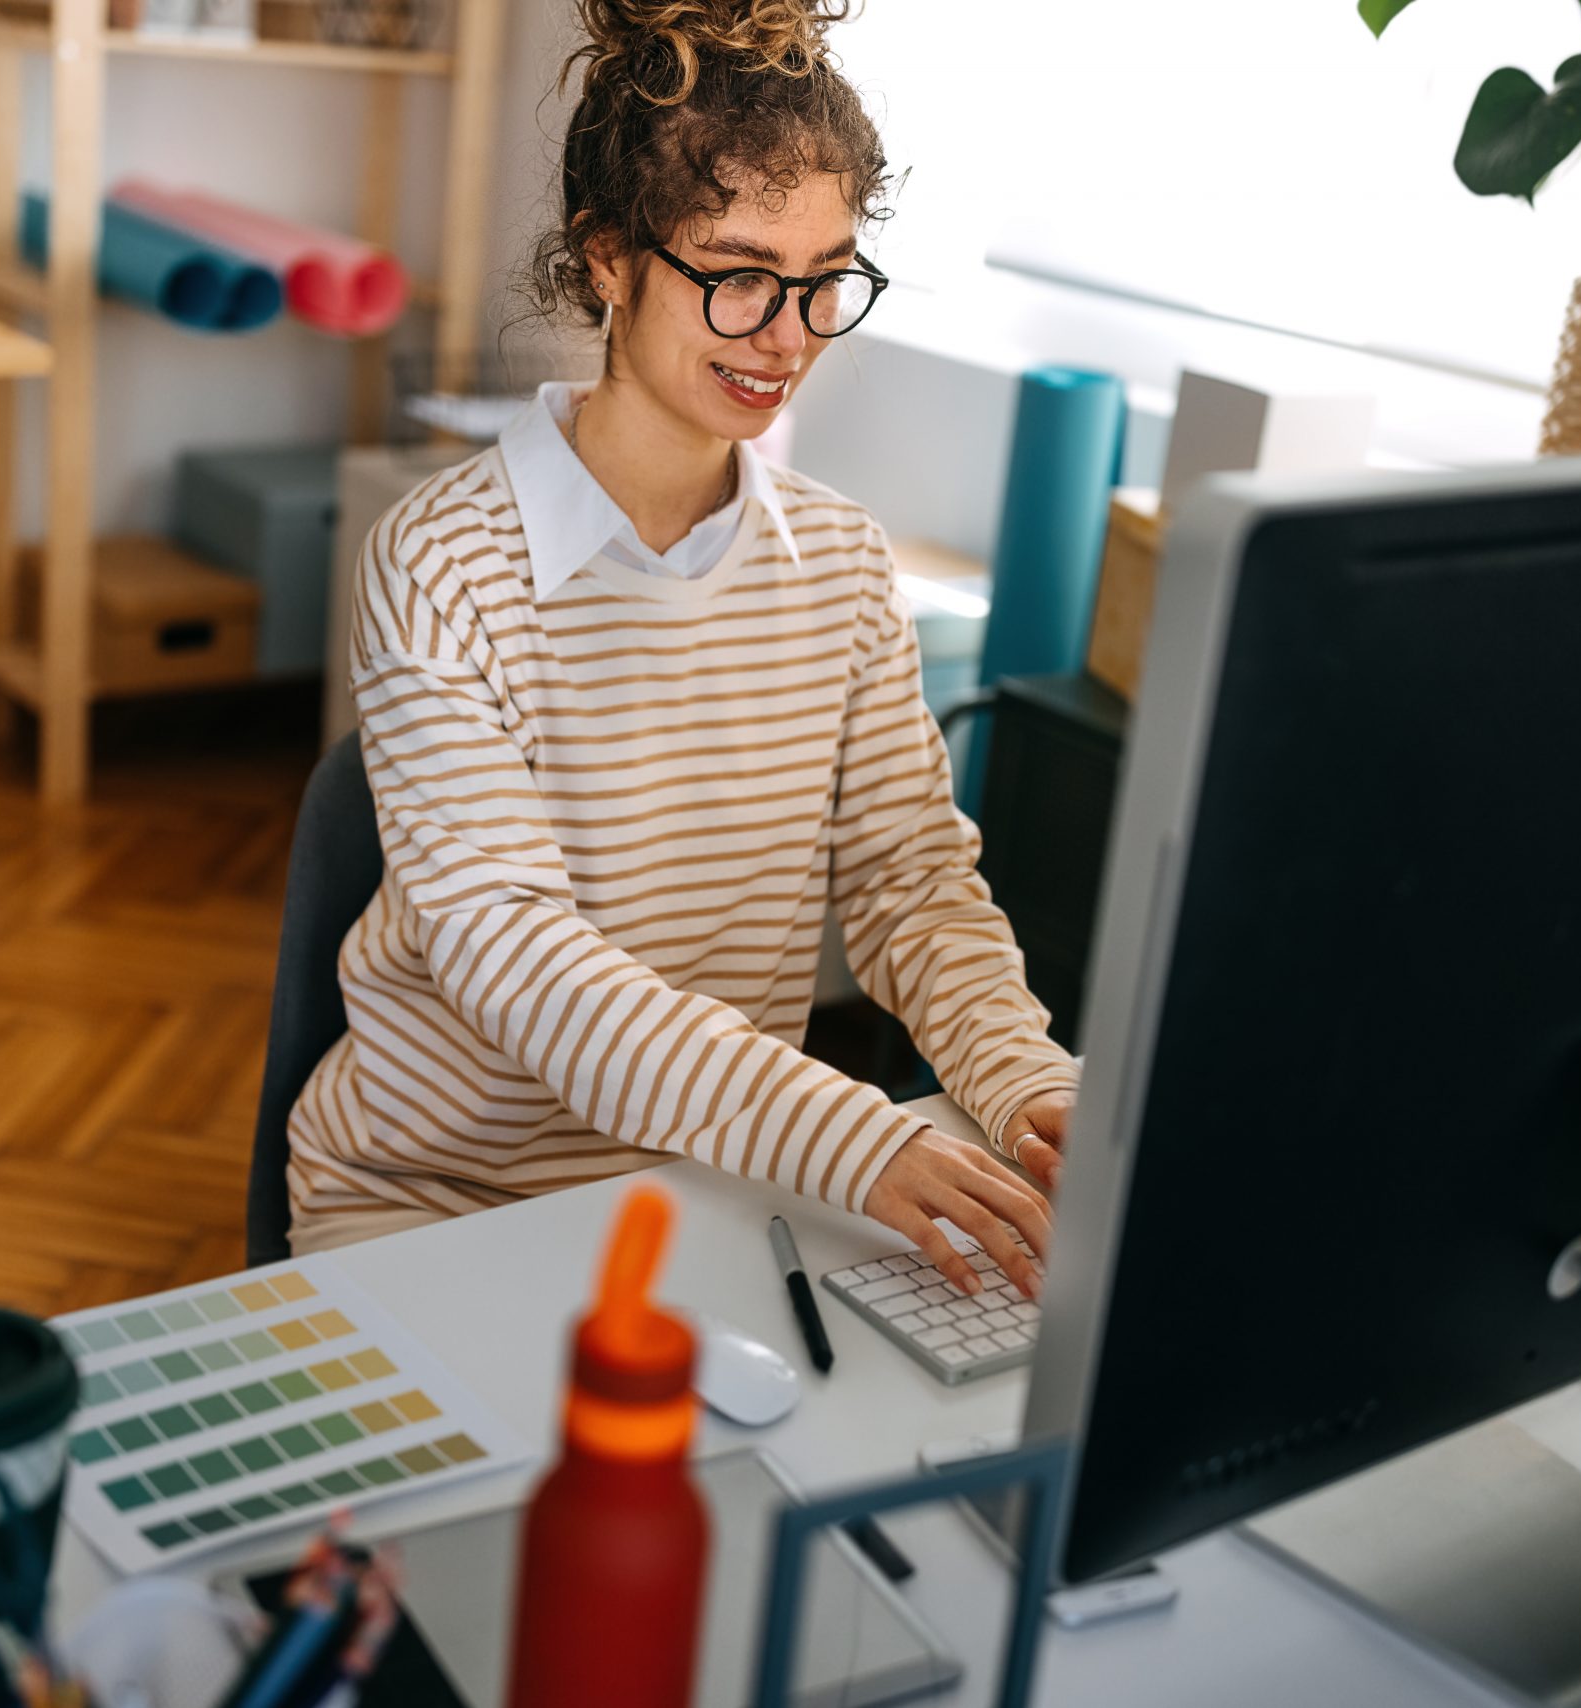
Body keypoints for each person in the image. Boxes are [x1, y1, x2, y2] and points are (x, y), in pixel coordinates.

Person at [286, 0, 1075, 1295]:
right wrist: (850, 1136)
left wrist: (1029, 1084)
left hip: (704, 1197)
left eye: (827, 281)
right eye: (740, 273)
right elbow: (519, 960)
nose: (789, 334)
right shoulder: (441, 565)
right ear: (608, 258)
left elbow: (908, 881)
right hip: (441, 1208)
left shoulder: (839, 565)